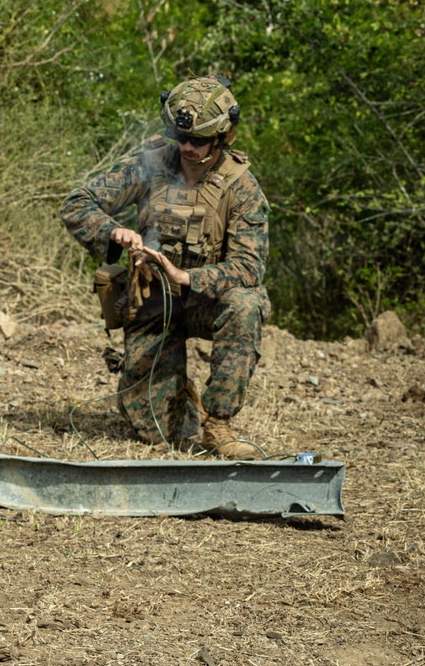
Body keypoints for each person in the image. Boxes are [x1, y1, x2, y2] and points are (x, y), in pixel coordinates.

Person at [61, 77, 270, 458]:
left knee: (247, 304)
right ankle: (179, 398)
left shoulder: (242, 187)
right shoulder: (150, 164)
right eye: (180, 137)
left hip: (207, 301)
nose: (186, 147)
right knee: (159, 431)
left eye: (198, 140)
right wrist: (114, 231)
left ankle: (218, 423)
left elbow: (249, 267)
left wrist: (187, 277)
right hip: (153, 302)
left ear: (223, 137)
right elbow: (77, 203)